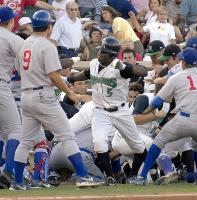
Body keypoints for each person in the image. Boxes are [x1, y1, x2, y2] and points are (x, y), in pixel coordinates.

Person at [10, 10, 99, 190]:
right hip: (43, 95)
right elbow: (53, 75)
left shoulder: (24, 44)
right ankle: (83, 176)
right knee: (67, 135)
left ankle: (17, 182)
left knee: (26, 141)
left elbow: (20, 71)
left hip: (26, 95)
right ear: (49, 26)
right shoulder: (47, 45)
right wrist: (69, 92)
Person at [67, 36, 147, 186]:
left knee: (138, 146)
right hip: (100, 111)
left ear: (111, 56)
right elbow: (86, 74)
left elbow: (143, 72)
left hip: (120, 111)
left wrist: (124, 67)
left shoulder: (120, 69)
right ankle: (110, 177)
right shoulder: (94, 63)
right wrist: (70, 80)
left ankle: (134, 175)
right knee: (99, 142)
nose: (99, 53)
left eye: (103, 52)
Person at [134, 47, 197, 186]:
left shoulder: (177, 76)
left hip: (185, 120)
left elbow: (157, 101)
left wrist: (146, 112)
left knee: (158, 141)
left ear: (184, 62)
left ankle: (142, 176)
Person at [0, 6, 24, 189]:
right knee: (15, 130)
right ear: (10, 21)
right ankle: (7, 171)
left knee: (1, 132)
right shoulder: (11, 37)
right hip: (1, 85)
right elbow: (28, 60)